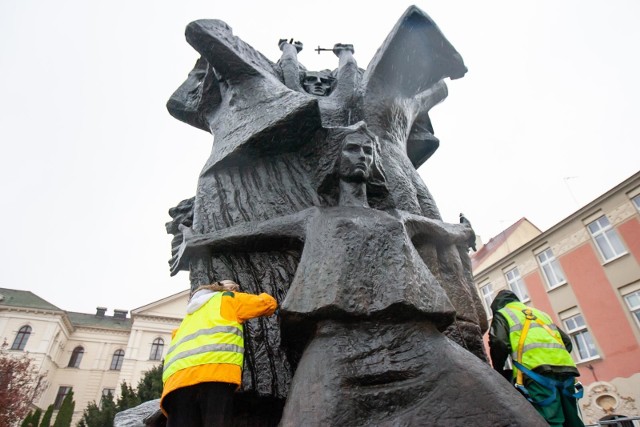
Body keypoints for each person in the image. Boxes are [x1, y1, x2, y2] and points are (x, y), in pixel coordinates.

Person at [160, 279, 278, 427]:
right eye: (235, 288)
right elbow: (268, 303)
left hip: (177, 382)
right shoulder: (227, 299)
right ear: (227, 289)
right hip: (214, 373)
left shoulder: (189, 317)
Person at [489, 289, 585, 427]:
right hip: (566, 373)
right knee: (572, 420)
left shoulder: (503, 314)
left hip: (536, 375)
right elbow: (567, 342)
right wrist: (555, 358)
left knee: (550, 420)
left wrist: (498, 370)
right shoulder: (540, 314)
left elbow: (499, 343)